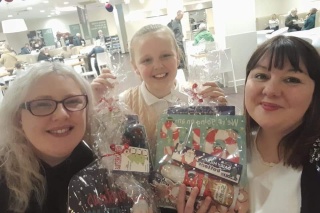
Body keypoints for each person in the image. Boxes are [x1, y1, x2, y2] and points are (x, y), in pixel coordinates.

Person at [177, 35, 320, 213]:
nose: (270, 90)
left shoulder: (314, 170)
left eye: (291, 79)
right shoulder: (222, 151)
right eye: (261, 76)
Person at [91, 24, 226, 158]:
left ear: (178, 56)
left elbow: (218, 152)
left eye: (166, 56)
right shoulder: (123, 105)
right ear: (135, 67)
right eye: (147, 60)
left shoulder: (200, 98)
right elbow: (107, 148)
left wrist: (223, 118)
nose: (158, 65)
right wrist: (97, 105)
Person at [0, 62, 96, 213]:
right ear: (19, 117)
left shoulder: (102, 165)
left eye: (72, 101)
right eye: (42, 104)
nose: (61, 115)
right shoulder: (4, 176)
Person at [171, 10, 188, 78]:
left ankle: (183, 67)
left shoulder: (178, 22)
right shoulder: (174, 22)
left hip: (180, 40)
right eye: (182, 15)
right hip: (178, 41)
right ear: (178, 15)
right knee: (180, 55)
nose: (182, 17)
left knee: (182, 55)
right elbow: (174, 32)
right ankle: (181, 69)